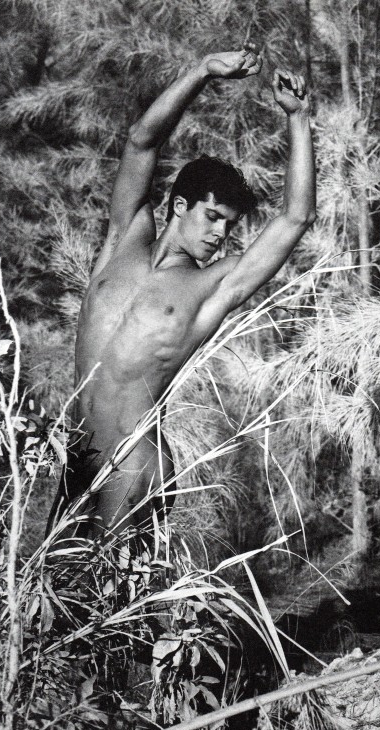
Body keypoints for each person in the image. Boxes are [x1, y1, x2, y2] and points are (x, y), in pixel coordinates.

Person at [47, 43, 315, 547]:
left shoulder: (212, 286)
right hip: (76, 459)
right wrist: (202, 71)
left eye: (229, 225)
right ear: (178, 205)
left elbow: (295, 219)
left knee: (102, 595)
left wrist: (298, 119)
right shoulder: (124, 240)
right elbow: (140, 141)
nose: (219, 234)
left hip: (132, 466)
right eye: (212, 217)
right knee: (47, 590)